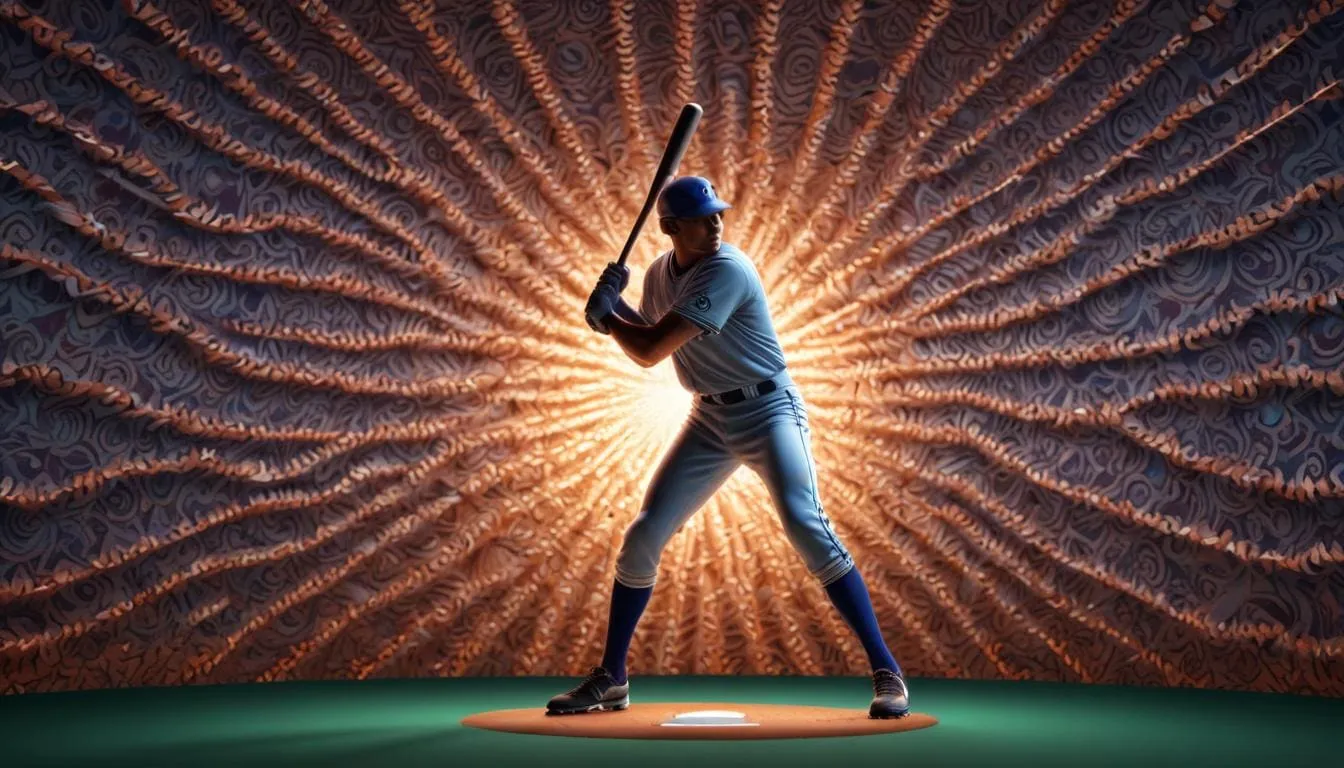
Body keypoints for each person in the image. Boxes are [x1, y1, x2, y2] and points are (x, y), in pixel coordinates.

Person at [546, 176, 910, 719]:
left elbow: (648, 350)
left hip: (769, 410)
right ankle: (612, 678)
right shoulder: (659, 273)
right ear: (671, 228)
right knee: (643, 534)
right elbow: (652, 329)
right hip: (710, 419)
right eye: (701, 219)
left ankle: (887, 671)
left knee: (804, 523)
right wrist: (614, 308)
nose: (716, 224)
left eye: (718, 214)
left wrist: (608, 315)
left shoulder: (728, 269)